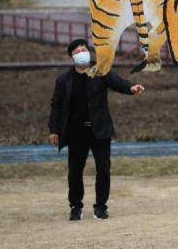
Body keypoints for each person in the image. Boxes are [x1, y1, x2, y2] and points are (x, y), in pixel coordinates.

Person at [48, 38, 145, 221]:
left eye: (83, 49)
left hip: (100, 130)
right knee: (75, 171)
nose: (81, 53)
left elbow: (118, 82)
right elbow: (56, 106)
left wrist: (131, 88)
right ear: (71, 57)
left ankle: (101, 207)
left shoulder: (100, 71)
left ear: (89, 52)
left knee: (103, 169)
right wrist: (54, 130)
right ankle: (76, 206)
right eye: (77, 52)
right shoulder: (64, 80)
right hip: (76, 132)